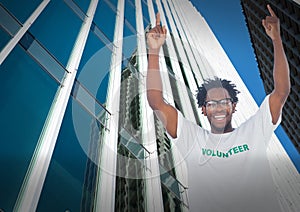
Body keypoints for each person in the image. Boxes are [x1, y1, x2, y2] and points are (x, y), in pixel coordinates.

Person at [146, 5, 290, 212]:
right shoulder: (192, 138)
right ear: (204, 110)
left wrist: (276, 39)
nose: (219, 108)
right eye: (211, 104)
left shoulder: (254, 130)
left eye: (224, 102)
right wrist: (154, 51)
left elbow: (281, 91)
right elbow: (156, 102)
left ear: (233, 106)